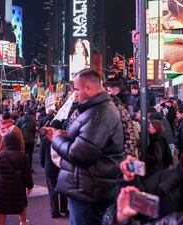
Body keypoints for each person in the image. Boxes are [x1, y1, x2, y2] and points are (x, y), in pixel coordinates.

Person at [45, 68, 124, 225]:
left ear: (88, 87)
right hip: (87, 188)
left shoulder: (98, 114)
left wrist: (56, 138)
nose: (75, 94)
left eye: (77, 89)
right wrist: (69, 136)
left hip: (88, 191)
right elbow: (89, 144)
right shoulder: (96, 110)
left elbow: (80, 154)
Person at [0, 132, 34, 225]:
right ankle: (23, 222)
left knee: (1, 210)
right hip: (18, 186)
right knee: (20, 205)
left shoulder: (0, 155)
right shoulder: (22, 155)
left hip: (2, 186)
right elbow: (27, 174)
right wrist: (30, 186)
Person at [40, 120, 68, 218]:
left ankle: (54, 211)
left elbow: (42, 154)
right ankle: (64, 209)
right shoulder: (64, 138)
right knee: (64, 189)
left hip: (50, 167)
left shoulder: (45, 139)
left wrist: (43, 164)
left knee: (52, 190)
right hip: (62, 166)